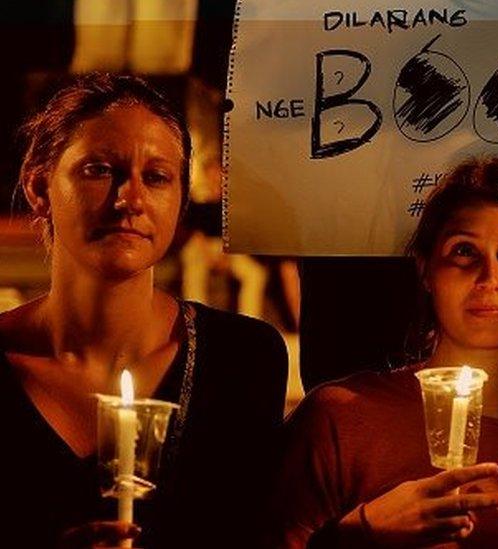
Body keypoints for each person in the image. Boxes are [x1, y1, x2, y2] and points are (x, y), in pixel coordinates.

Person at [0, 73, 288, 549]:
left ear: (179, 201)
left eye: (155, 177)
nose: (129, 199)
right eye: (98, 170)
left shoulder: (242, 360)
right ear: (39, 187)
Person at [271, 157, 498, 548]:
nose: (490, 278)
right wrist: (362, 532)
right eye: (464, 251)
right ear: (426, 269)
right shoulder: (339, 420)